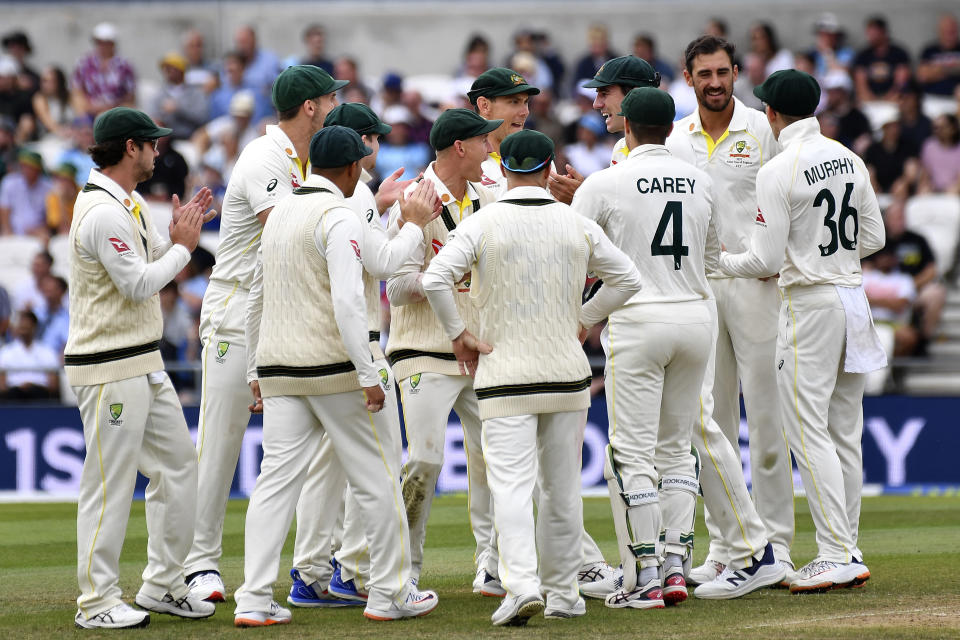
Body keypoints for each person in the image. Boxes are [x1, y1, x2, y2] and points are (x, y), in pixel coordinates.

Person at [422, 129, 641, 625]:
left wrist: (459, 334)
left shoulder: (484, 221)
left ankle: (521, 586)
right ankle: (564, 595)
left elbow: (436, 277)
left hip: (505, 376)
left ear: (507, 170)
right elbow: (628, 277)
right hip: (566, 375)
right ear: (549, 168)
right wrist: (585, 317)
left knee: (513, 489)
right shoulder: (574, 222)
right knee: (562, 493)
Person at [574, 88, 781, 607]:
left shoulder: (604, 181)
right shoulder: (701, 180)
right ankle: (672, 567)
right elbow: (713, 256)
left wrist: (581, 317)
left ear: (626, 128)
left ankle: (643, 578)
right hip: (696, 317)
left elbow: (570, 256)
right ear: (670, 129)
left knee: (630, 453)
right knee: (676, 450)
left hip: (639, 320)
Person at [234, 125, 439, 626]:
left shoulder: (281, 213)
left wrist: (254, 369)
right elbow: (351, 301)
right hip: (335, 371)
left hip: (281, 370)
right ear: (350, 169)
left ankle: (254, 600)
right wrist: (368, 373)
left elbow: (256, 295)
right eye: (361, 169)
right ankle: (389, 595)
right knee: (378, 480)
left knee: (274, 485)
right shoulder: (340, 215)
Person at [185, 65, 348, 604]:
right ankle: (199, 565)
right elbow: (289, 230)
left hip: (281, 314)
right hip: (236, 310)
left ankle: (312, 568)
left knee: (307, 448)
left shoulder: (304, 159)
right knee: (222, 439)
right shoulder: (264, 157)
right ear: (309, 108)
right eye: (330, 101)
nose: (336, 109)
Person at [718, 69, 885, 593]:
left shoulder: (778, 168)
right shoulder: (849, 157)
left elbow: (765, 259)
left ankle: (837, 551)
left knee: (808, 430)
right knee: (844, 431)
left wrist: (718, 261)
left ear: (769, 114)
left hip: (810, 305)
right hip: (852, 298)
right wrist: (829, 255)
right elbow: (874, 237)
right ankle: (848, 546)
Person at [66, 106, 216, 629]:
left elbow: (156, 257)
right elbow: (138, 283)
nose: (159, 151)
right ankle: (96, 602)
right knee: (109, 483)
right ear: (131, 147)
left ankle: (162, 584)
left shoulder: (125, 202)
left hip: (141, 358)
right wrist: (183, 247)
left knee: (179, 467)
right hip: (109, 364)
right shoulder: (103, 211)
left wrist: (177, 233)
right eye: (151, 144)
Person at [666, 35, 797, 587]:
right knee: (711, 422)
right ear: (688, 76)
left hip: (758, 287)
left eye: (723, 72)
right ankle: (725, 546)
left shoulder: (763, 130)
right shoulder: (674, 139)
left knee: (767, 419)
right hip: (701, 288)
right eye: (705, 74)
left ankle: (778, 547)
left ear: (737, 73)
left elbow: (794, 200)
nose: (715, 82)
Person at [385, 108, 503, 596]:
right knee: (426, 462)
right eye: (483, 143)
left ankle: (493, 565)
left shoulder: (492, 198)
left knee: (493, 459)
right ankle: (406, 571)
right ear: (461, 147)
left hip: (480, 350)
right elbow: (394, 287)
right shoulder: (412, 203)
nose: (491, 151)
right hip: (422, 350)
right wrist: (442, 277)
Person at [549, 55, 661, 204]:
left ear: (635, 94)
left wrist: (581, 198)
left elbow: (641, 215)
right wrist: (585, 194)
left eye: (604, 93)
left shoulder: (674, 148)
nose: (596, 104)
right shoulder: (620, 147)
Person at [468, 67, 542, 197]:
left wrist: (570, 200)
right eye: (514, 102)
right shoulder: (463, 164)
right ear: (484, 105)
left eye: (526, 102)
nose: (525, 112)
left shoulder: (540, 155)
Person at [70, 23, 136, 117]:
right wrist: (85, 110)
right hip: (89, 113)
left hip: (116, 113)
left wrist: (111, 109)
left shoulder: (125, 65)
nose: (103, 46)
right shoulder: (83, 63)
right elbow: (76, 91)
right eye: (99, 42)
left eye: (106, 42)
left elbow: (130, 96)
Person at [0, 309, 58, 400]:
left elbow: (53, 385)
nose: (25, 329)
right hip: (13, 395)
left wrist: (32, 386)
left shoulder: (47, 352)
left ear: (34, 327)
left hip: (40, 395)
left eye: (27, 326)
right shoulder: (5, 352)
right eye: (22, 326)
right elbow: (2, 384)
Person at [852, 15, 911, 103]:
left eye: (873, 33)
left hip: (894, 100)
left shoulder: (899, 54)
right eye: (869, 33)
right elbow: (860, 84)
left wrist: (888, 100)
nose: (870, 36)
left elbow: (902, 82)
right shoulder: (863, 55)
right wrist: (872, 101)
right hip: (869, 100)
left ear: (883, 32)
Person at [150, 52, 209, 140]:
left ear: (181, 70)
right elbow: (152, 118)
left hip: (189, 138)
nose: (167, 71)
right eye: (165, 68)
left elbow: (202, 118)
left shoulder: (196, 94)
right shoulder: (159, 94)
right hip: (165, 139)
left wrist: (179, 110)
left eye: (171, 68)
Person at [0, 149, 51, 237]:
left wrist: (41, 230)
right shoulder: (9, 182)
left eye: (30, 167)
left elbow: (49, 217)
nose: (26, 170)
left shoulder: (48, 187)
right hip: (13, 233)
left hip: (38, 234)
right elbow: (4, 209)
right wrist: (7, 231)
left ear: (38, 169)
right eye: (24, 166)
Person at [917, 14, 960, 98]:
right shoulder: (929, 50)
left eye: (952, 31)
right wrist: (954, 68)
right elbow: (923, 76)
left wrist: (936, 70)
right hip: (934, 98)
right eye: (945, 32)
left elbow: (929, 73)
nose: (949, 36)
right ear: (939, 32)